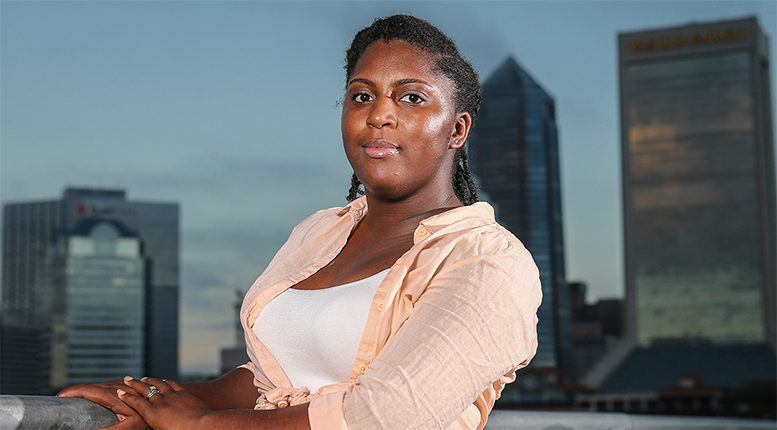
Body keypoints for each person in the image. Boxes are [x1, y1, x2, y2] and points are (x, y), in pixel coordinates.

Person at [59, 14, 542, 430]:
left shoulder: (488, 263)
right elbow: (271, 377)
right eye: (361, 96)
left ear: (457, 128)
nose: (379, 115)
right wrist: (149, 400)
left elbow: (386, 417)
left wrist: (199, 424)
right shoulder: (319, 231)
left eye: (411, 98)